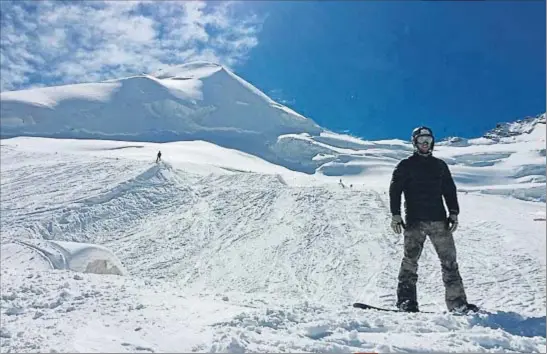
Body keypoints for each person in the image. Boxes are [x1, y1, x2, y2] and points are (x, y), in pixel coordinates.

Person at [389, 126, 478, 314]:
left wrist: (454, 212)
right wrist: (395, 214)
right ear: (414, 143)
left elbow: (449, 189)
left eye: (428, 140)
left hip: (439, 221)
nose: (425, 144)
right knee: (410, 261)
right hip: (415, 221)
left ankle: (458, 304)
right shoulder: (405, 165)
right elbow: (395, 190)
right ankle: (406, 302)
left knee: (449, 262)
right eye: (421, 140)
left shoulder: (440, 166)